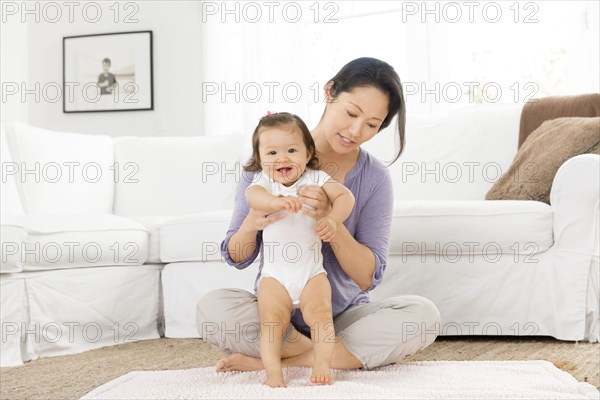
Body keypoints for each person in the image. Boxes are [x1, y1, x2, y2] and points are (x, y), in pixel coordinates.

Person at [197, 57, 441, 376]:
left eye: (372, 124)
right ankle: (325, 354)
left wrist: (331, 220)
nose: (356, 130)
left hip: (342, 317)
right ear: (330, 92)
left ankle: (274, 360)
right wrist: (251, 223)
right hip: (275, 312)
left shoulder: (374, 178)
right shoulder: (270, 158)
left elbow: (368, 276)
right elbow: (237, 257)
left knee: (421, 316)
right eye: (351, 113)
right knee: (213, 309)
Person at [244, 112, 355, 387]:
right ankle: (273, 373)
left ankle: (321, 363)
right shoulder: (264, 184)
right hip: (275, 277)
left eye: (291, 150)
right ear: (259, 159)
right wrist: (275, 202)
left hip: (311, 274)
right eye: (271, 152)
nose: (282, 158)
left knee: (321, 317)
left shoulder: (316, 178)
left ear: (307, 153)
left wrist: (332, 218)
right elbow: (252, 196)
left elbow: (345, 196)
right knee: (271, 323)